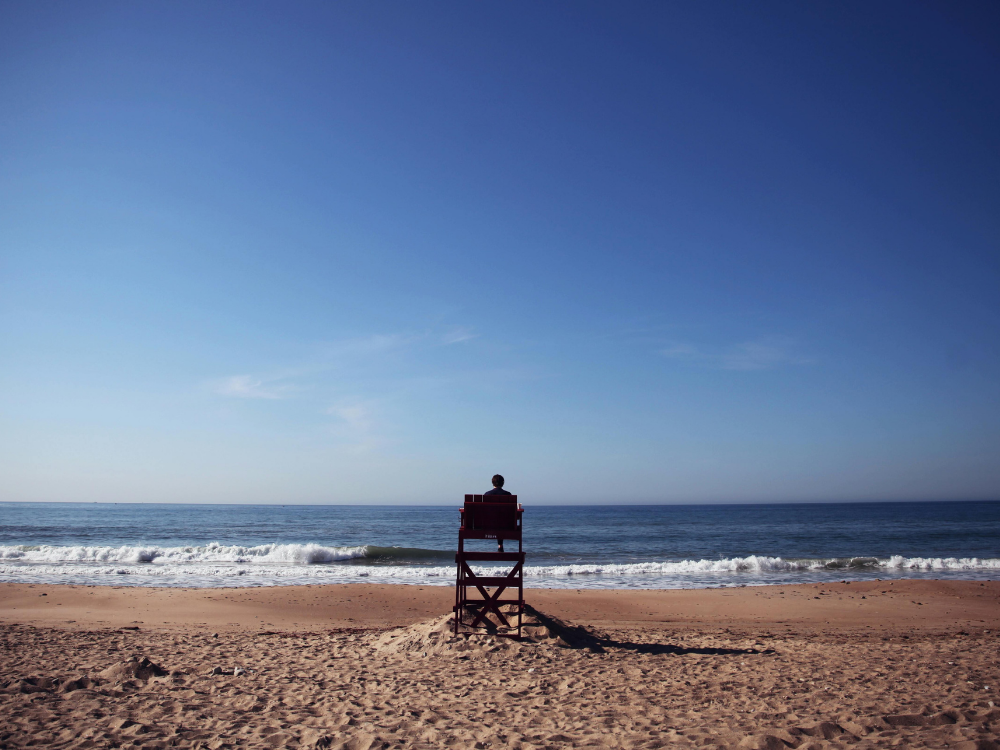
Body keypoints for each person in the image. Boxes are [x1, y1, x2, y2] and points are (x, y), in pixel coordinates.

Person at [484, 474, 512, 551]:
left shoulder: (487, 495)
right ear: (503, 483)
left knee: (497, 520)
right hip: (506, 525)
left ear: (492, 483)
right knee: (501, 521)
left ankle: (500, 545)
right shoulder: (508, 495)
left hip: (488, 525)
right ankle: (500, 545)